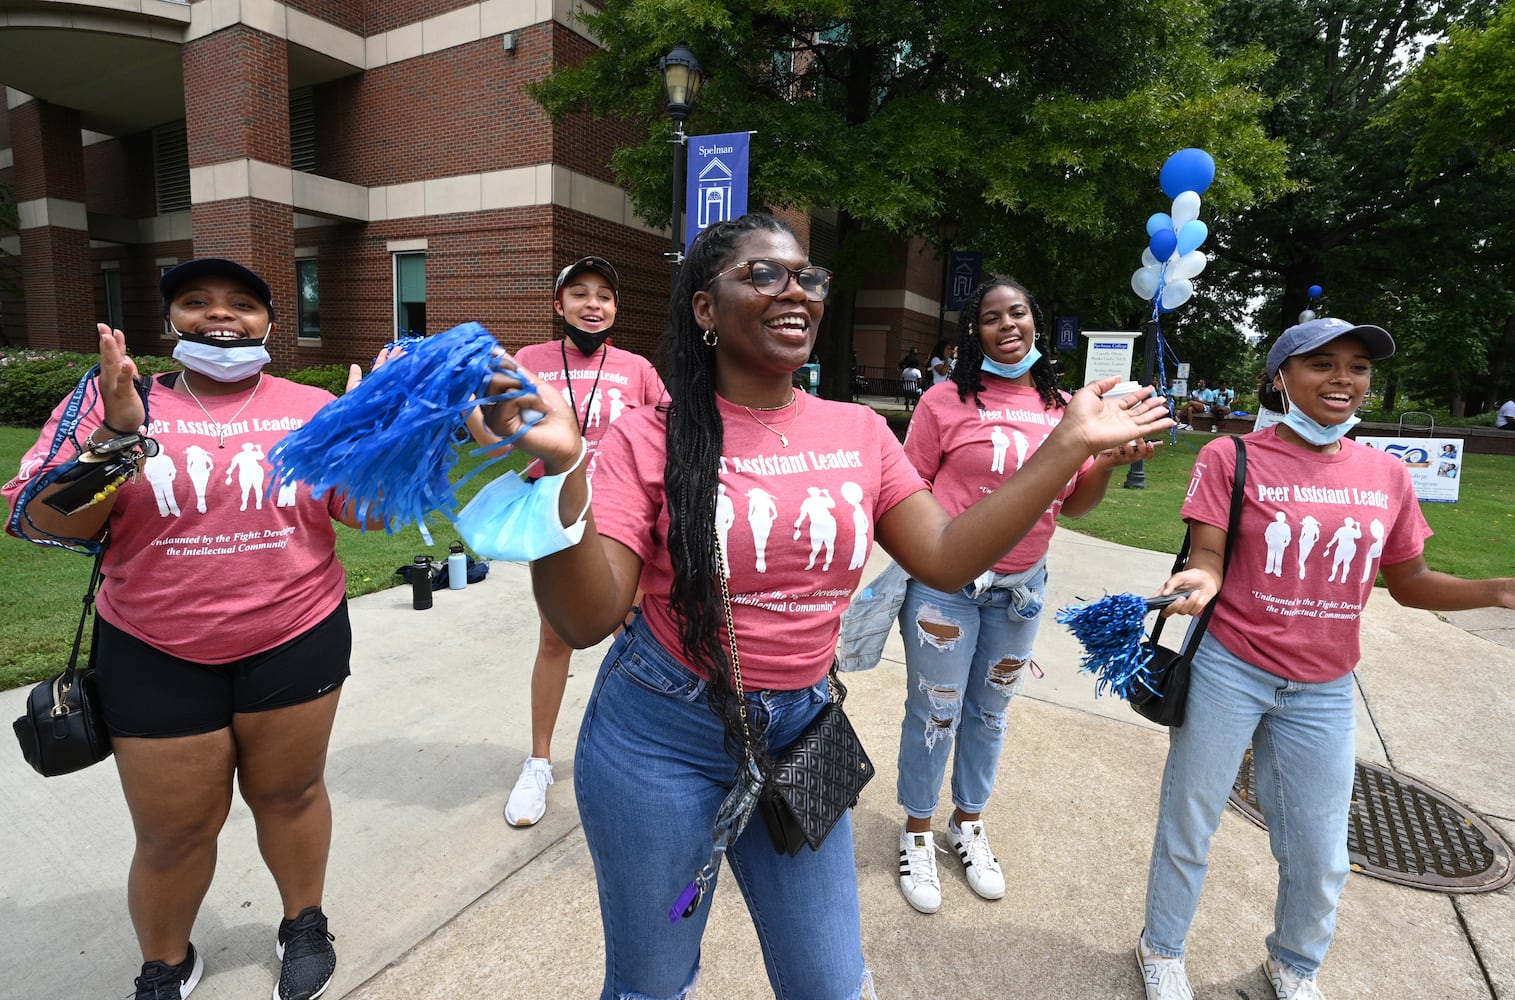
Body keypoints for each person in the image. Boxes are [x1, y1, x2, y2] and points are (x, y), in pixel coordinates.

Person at [472, 213, 1173, 997]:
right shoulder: (652, 432)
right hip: (657, 739)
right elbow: (584, 619)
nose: (794, 291)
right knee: (652, 983)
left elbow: (947, 554)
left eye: (805, 276)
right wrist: (565, 469)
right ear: (705, 309)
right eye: (763, 275)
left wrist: (1066, 446)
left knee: (832, 984)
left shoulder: (860, 431)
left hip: (803, 730)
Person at [2, 258, 390, 1000]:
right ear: (170, 320)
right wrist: (118, 436)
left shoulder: (310, 404)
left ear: (269, 323)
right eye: (196, 301)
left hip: (295, 632)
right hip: (154, 647)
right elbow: (42, 522)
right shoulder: (117, 399)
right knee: (174, 832)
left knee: (292, 794)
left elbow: (366, 514)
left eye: (242, 304)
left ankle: (303, 922)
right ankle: (167, 962)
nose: (221, 316)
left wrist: (373, 443)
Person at [1134, 316, 1515, 1000]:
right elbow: (1209, 557)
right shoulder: (1230, 457)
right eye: (1322, 363)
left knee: (1319, 852)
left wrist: (1495, 589)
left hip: (1324, 687)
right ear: (1280, 377)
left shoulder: (1385, 475)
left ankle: (1293, 963)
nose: (1343, 378)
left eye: (1358, 367)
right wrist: (1199, 581)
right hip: (1230, 666)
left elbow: (1408, 583)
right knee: (1188, 822)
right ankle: (1160, 949)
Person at [894, 277, 1155, 914]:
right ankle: (918, 832)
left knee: (990, 714)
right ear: (971, 331)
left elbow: (1075, 505)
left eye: (1018, 312)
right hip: (947, 591)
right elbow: (907, 492)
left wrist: (1108, 466)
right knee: (937, 711)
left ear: (1036, 321)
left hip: (1021, 592)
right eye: (990, 317)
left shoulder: (1068, 408)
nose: (1007, 325)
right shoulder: (941, 402)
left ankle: (969, 822)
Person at [500, 256, 665, 828]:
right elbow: (508, 429)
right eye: (580, 294)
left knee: (642, 638)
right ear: (558, 304)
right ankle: (540, 760)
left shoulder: (639, 369)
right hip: (556, 517)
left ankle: (643, 754)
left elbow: (666, 434)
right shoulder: (531, 361)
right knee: (556, 638)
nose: (593, 305)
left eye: (604, 296)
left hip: (625, 520)